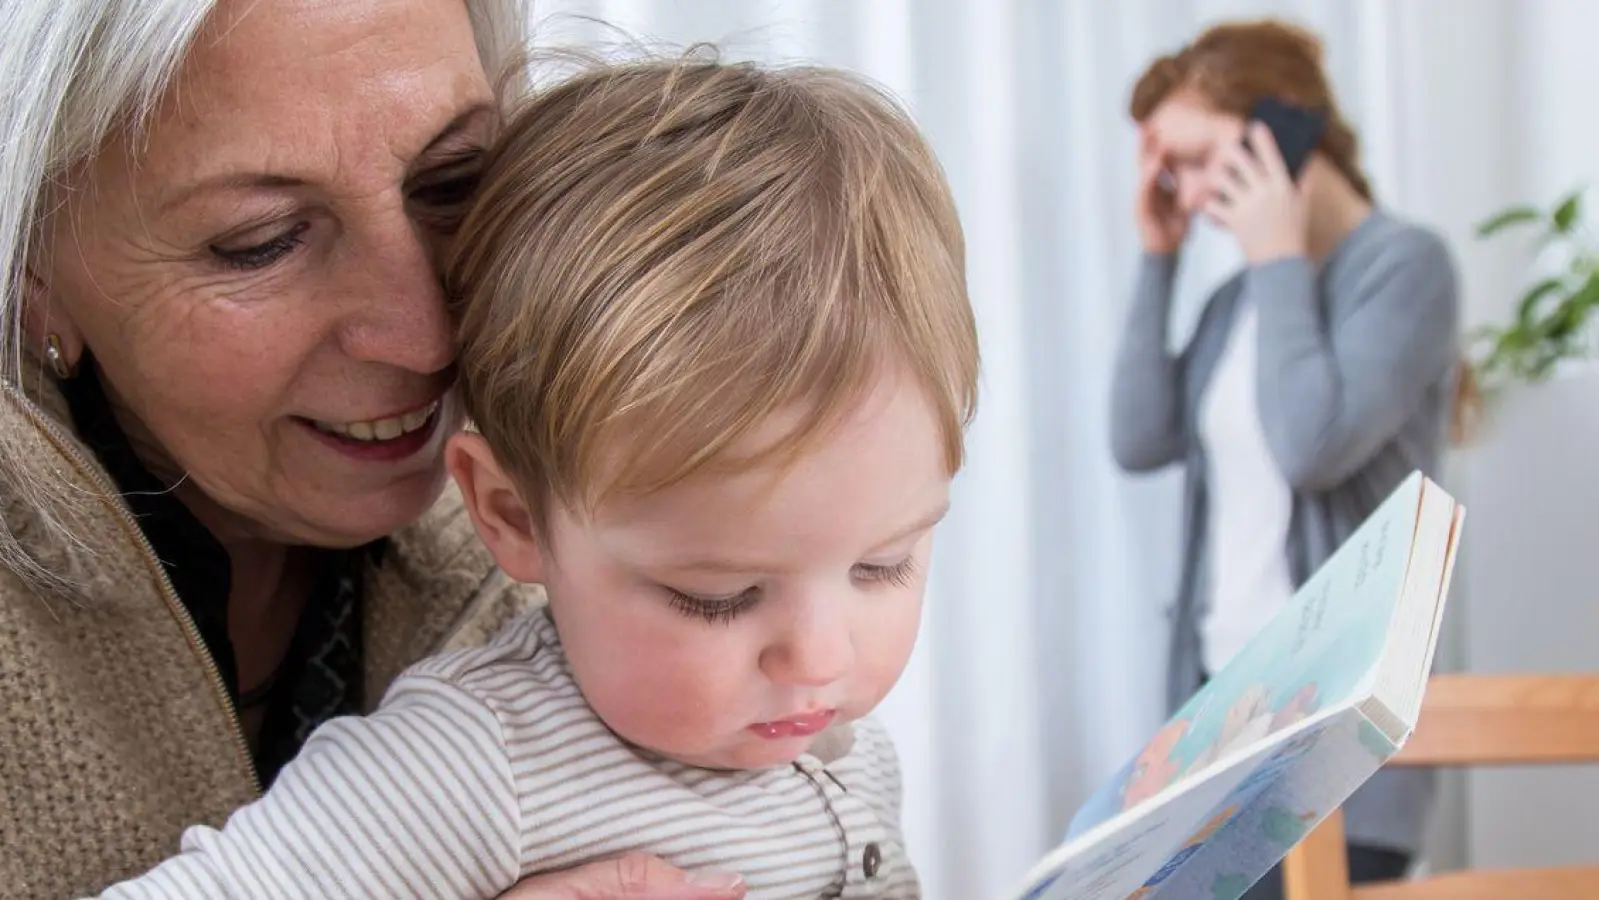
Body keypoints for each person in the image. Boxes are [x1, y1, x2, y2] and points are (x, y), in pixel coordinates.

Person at [88, 53, 977, 899]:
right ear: (510, 516)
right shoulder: (468, 766)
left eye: (883, 564)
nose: (821, 657)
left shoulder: (839, 749)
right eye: (718, 595)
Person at [0, 2, 739, 897]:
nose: (425, 338)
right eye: (259, 242)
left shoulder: (601, 529)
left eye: (452, 182)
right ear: (31, 279)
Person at [1109, 19, 1461, 899]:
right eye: (1168, 172)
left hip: (1334, 735)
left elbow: (1312, 446)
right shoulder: (1239, 300)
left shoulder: (1404, 266)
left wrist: (1278, 252)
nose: (1184, 192)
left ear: (1286, 129)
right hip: (1218, 723)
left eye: (1193, 159)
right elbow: (1138, 434)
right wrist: (1158, 259)